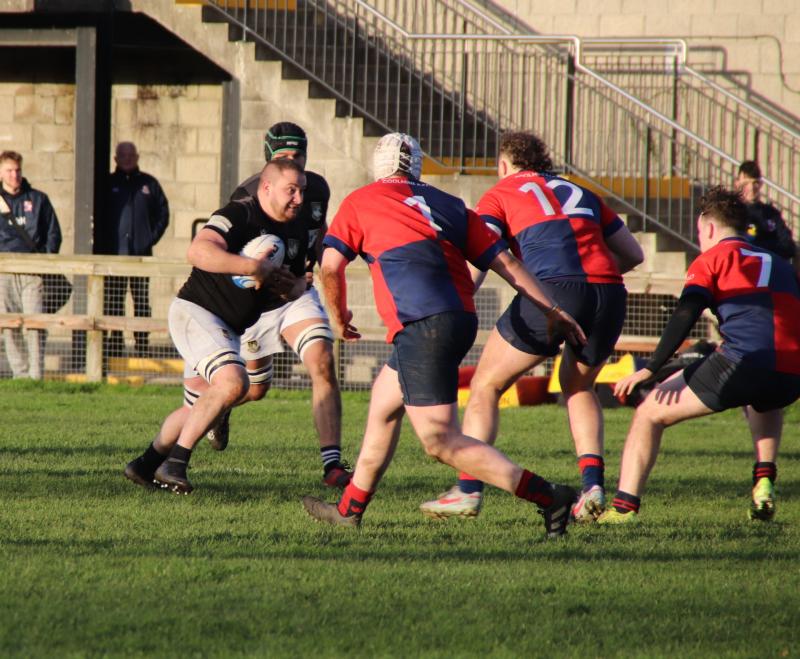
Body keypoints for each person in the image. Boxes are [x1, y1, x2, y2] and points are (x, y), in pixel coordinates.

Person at [301, 133, 588, 538]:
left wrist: (338, 313)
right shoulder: (450, 204)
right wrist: (551, 309)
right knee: (383, 408)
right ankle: (349, 509)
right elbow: (505, 261)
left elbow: (330, 266)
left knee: (438, 440)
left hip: (423, 325)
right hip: (455, 319)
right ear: (417, 167)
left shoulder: (361, 200)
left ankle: (550, 497)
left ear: (376, 167)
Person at [419, 131, 644, 522]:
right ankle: (592, 486)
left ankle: (467, 491)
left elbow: (481, 251)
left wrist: (458, 300)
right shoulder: (582, 192)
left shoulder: (502, 192)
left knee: (487, 385)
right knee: (579, 387)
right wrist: (591, 282)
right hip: (609, 292)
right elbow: (633, 253)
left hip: (553, 291)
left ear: (504, 166)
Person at [598, 186, 800, 525]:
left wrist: (650, 369)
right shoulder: (779, 263)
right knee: (764, 398)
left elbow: (685, 313)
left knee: (649, 414)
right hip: (792, 370)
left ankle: (623, 508)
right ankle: (764, 479)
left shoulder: (713, 258)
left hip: (744, 363)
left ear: (707, 227)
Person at [123, 159, 308, 494]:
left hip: (228, 328)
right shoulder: (239, 214)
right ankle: (175, 464)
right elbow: (198, 251)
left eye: (301, 191)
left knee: (200, 406)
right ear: (266, 188)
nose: (298, 198)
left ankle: (145, 465)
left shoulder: (295, 230)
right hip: (197, 312)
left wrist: (290, 288)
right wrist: (252, 266)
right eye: (291, 190)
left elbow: (294, 286)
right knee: (233, 382)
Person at [205, 122, 351, 487]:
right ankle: (218, 411)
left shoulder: (316, 188)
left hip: (297, 296)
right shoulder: (246, 196)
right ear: (268, 158)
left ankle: (332, 465)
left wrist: (330, 263)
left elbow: (318, 236)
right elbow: (232, 263)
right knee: (254, 389)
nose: (292, 162)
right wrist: (261, 274)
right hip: (257, 304)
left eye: (298, 156)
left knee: (322, 359)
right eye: (283, 156)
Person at [96, 142, 170, 356]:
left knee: (141, 301)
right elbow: (98, 216)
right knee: (114, 301)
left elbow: (163, 215)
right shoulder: (107, 184)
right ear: (116, 159)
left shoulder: (149, 184)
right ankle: (115, 345)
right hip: (115, 256)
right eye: (123, 155)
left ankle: (142, 346)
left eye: (131, 155)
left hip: (141, 256)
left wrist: (149, 239)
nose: (127, 158)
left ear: (137, 157)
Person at [0, 150, 62, 379]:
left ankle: (36, 374)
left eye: (17, 170)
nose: (14, 175)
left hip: (32, 273)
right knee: (9, 325)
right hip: (4, 273)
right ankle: (20, 374)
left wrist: (44, 261)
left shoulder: (38, 199)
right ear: (1, 172)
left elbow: (53, 233)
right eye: (9, 170)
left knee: (35, 323)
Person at [734, 160, 797, 268]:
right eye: (746, 183)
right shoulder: (733, 213)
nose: (751, 188)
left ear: (761, 184)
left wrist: (760, 247)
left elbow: (789, 247)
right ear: (737, 184)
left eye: (755, 183)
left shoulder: (771, 213)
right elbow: (739, 247)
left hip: (771, 271)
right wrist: (771, 244)